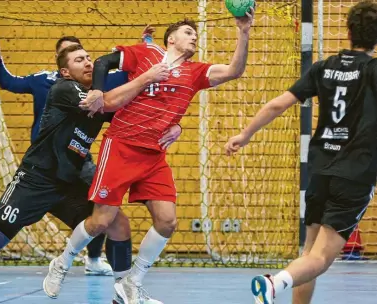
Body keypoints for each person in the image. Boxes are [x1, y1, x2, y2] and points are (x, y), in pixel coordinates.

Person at [0, 44, 172, 304]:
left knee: (117, 224)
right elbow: (106, 103)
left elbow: (133, 115)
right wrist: (145, 77)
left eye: (89, 59)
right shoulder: (65, 89)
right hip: (36, 180)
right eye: (79, 60)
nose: (87, 63)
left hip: (69, 182)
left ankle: (125, 293)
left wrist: (172, 127)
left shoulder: (101, 95)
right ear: (65, 71)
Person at [43, 10, 255, 304]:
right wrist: (97, 91)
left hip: (154, 155)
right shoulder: (146, 54)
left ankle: (133, 282)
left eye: (195, 34)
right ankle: (63, 262)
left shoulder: (195, 72)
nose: (194, 37)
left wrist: (243, 32)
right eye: (187, 32)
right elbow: (104, 62)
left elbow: (234, 70)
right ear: (171, 38)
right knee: (101, 221)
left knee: (167, 222)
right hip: (121, 146)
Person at [0, 26, 155, 276]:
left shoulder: (95, 83)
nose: (84, 61)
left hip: (77, 159)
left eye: (84, 56)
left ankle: (94, 259)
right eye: (70, 54)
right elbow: (8, 82)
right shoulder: (44, 81)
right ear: (62, 64)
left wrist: (146, 45)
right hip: (42, 162)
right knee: (13, 212)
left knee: (99, 209)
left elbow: (130, 77)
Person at [223, 2, 377, 304]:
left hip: (320, 171)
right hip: (355, 174)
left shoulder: (323, 67)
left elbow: (276, 105)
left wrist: (245, 133)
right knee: (320, 258)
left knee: (307, 253)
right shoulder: (373, 71)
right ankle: (273, 283)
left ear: (347, 32)